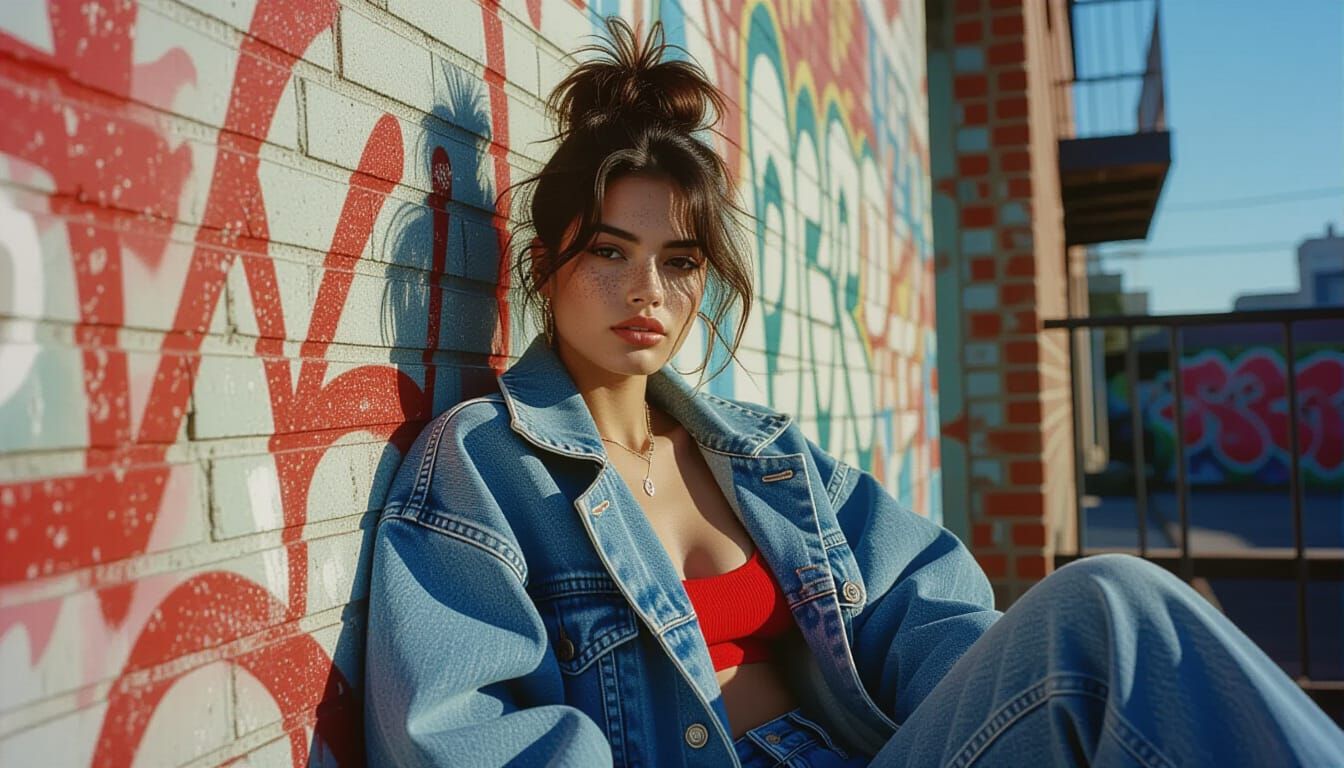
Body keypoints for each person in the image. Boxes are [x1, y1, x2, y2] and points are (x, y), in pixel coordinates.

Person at [363, 17, 1344, 767]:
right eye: (610, 253)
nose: (647, 293)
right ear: (547, 262)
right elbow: (460, 730)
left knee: (1116, 621)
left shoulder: (763, 453)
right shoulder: (483, 464)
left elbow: (929, 607)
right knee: (1112, 608)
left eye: (680, 259)